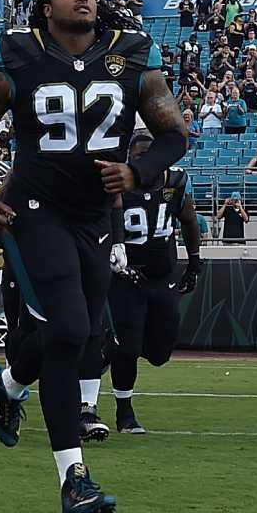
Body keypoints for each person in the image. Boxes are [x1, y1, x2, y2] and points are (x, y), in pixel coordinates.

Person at [0, 0, 189, 513]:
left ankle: (9, 382)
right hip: (34, 209)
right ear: (46, 5)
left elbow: (174, 133)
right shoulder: (17, 52)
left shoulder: (132, 52)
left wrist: (138, 170)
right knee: (70, 334)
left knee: (77, 332)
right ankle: (73, 479)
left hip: (95, 218)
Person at [98, 128, 202, 434]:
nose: (145, 162)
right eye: (139, 156)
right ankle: (124, 413)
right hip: (126, 276)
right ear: (129, 158)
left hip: (162, 273)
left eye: (150, 156)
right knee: (129, 347)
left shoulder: (174, 182)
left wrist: (194, 262)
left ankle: (110, 347)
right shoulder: (117, 186)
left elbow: (189, 220)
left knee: (160, 353)